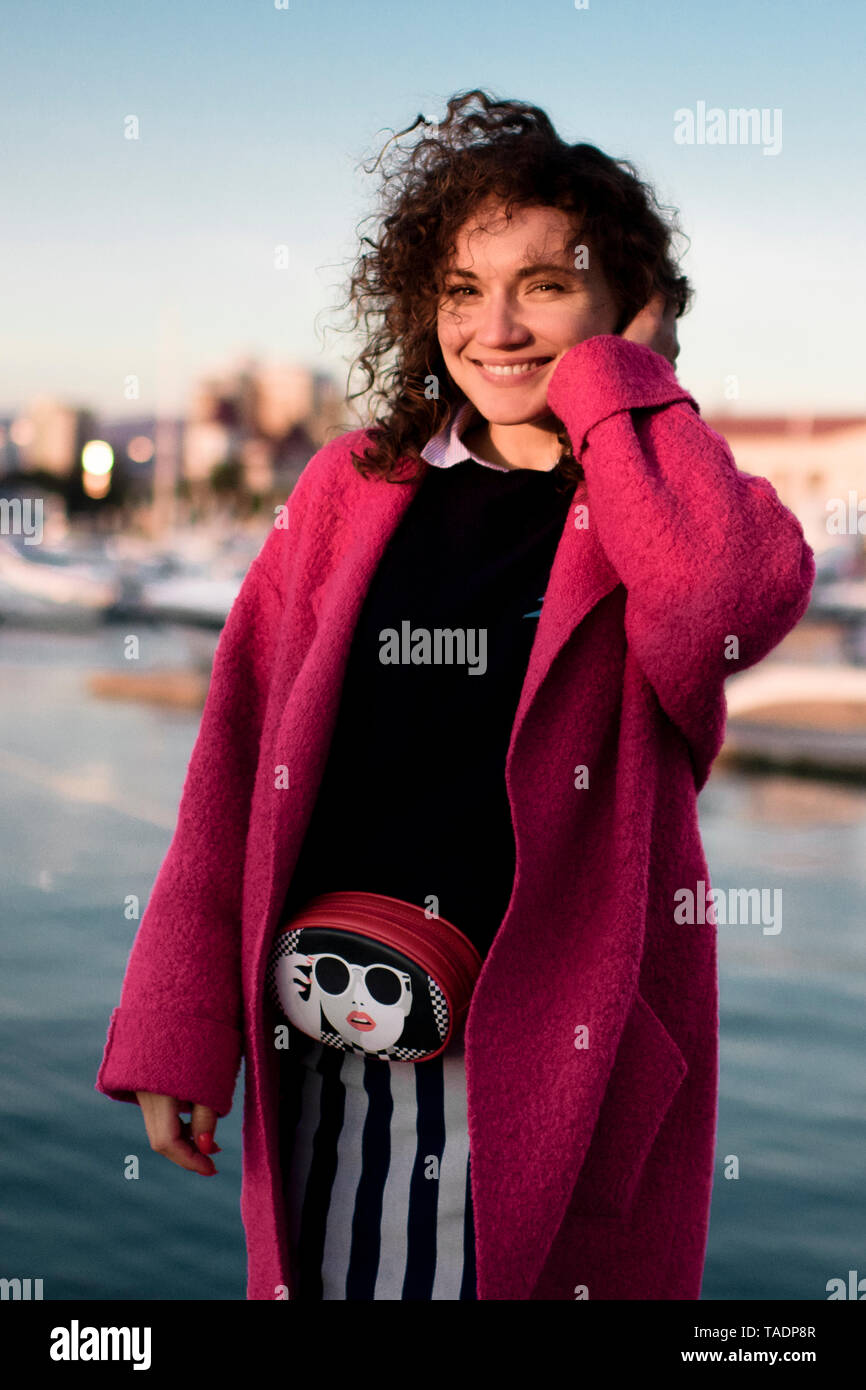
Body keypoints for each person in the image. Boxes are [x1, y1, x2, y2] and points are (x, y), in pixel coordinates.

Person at [96, 89, 815, 1300]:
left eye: (543, 283)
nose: (496, 327)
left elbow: (726, 599)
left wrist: (622, 385)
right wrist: (179, 1020)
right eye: (461, 289)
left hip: (545, 1080)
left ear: (621, 301)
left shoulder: (642, 505)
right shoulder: (352, 487)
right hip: (330, 1060)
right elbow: (233, 759)